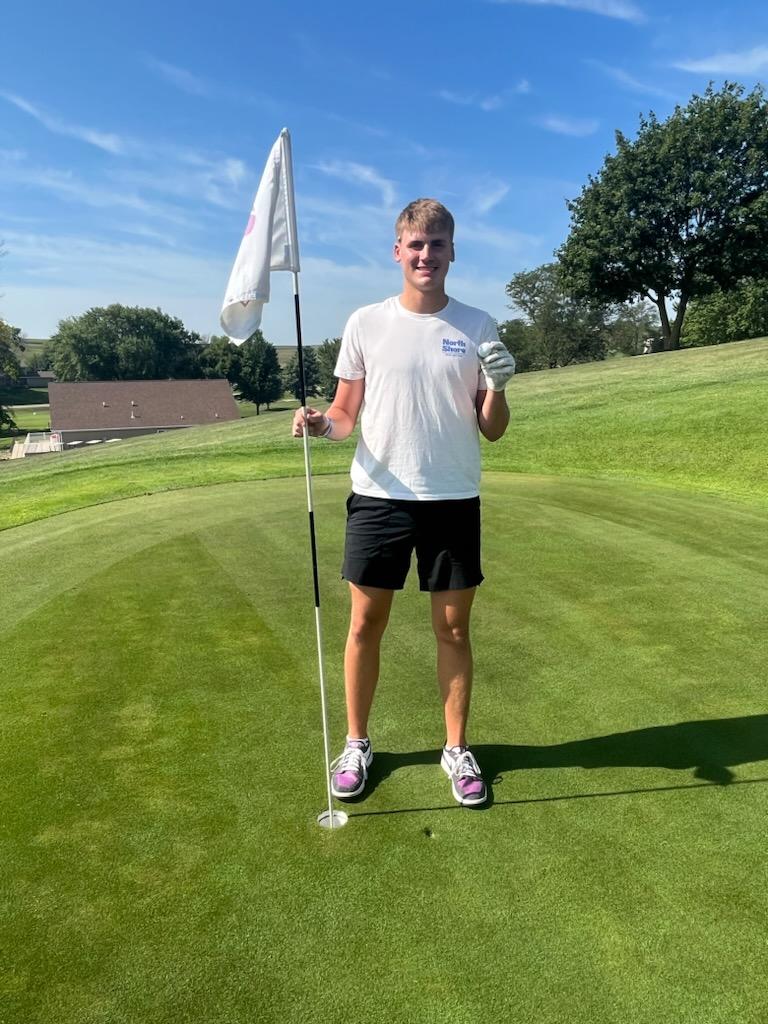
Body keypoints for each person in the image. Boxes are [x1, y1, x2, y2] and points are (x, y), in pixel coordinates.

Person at [292, 198, 515, 806]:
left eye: (437, 244)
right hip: (379, 498)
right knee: (366, 624)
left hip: (453, 497)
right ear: (397, 251)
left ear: (452, 251)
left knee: (453, 629)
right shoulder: (366, 322)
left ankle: (456, 750)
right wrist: (320, 423)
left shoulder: (477, 325)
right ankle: (356, 744)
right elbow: (345, 414)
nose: (426, 255)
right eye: (415, 244)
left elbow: (492, 429)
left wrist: (497, 387)